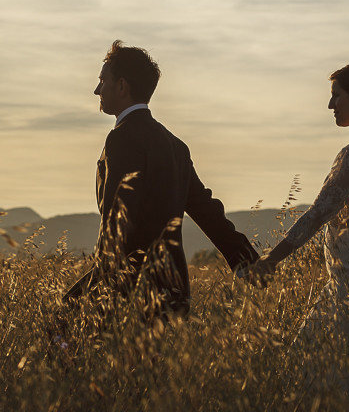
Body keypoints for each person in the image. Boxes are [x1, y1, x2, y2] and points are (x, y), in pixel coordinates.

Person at [62, 40, 259, 320]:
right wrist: (245, 259)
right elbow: (205, 209)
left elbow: (117, 215)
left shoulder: (121, 138)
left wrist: (104, 277)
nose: (97, 90)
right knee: (151, 364)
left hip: (128, 284)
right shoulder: (174, 145)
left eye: (102, 80)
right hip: (172, 286)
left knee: (63, 325)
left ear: (121, 86)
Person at [249, 62, 349, 394]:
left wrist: (271, 260)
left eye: (336, 96)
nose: (330, 104)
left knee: (320, 358)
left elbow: (317, 214)